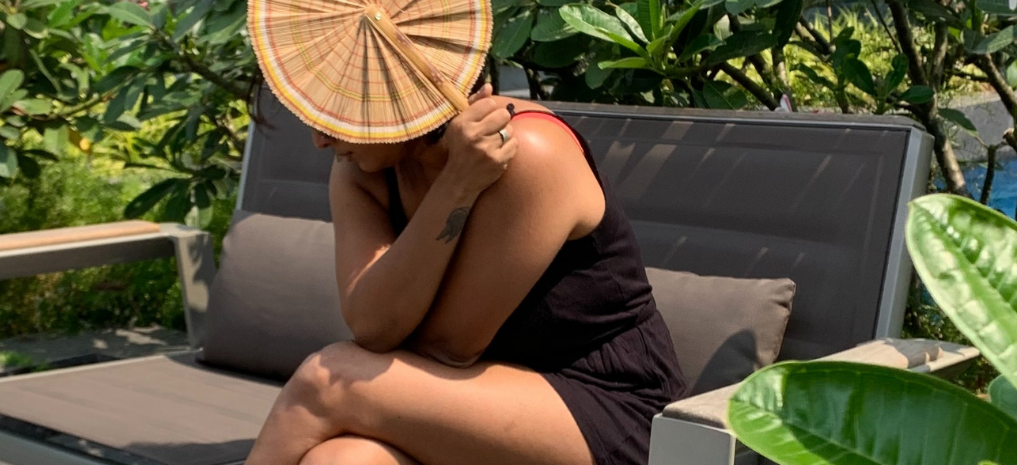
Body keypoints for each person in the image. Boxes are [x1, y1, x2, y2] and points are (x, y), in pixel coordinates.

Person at [246, 86, 687, 465]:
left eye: (337, 115)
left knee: (328, 381)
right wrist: (455, 184)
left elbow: (445, 348)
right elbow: (372, 326)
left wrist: (460, 180)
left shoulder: (531, 151)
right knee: (341, 461)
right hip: (466, 407)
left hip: (610, 414)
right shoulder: (363, 169)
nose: (319, 139)